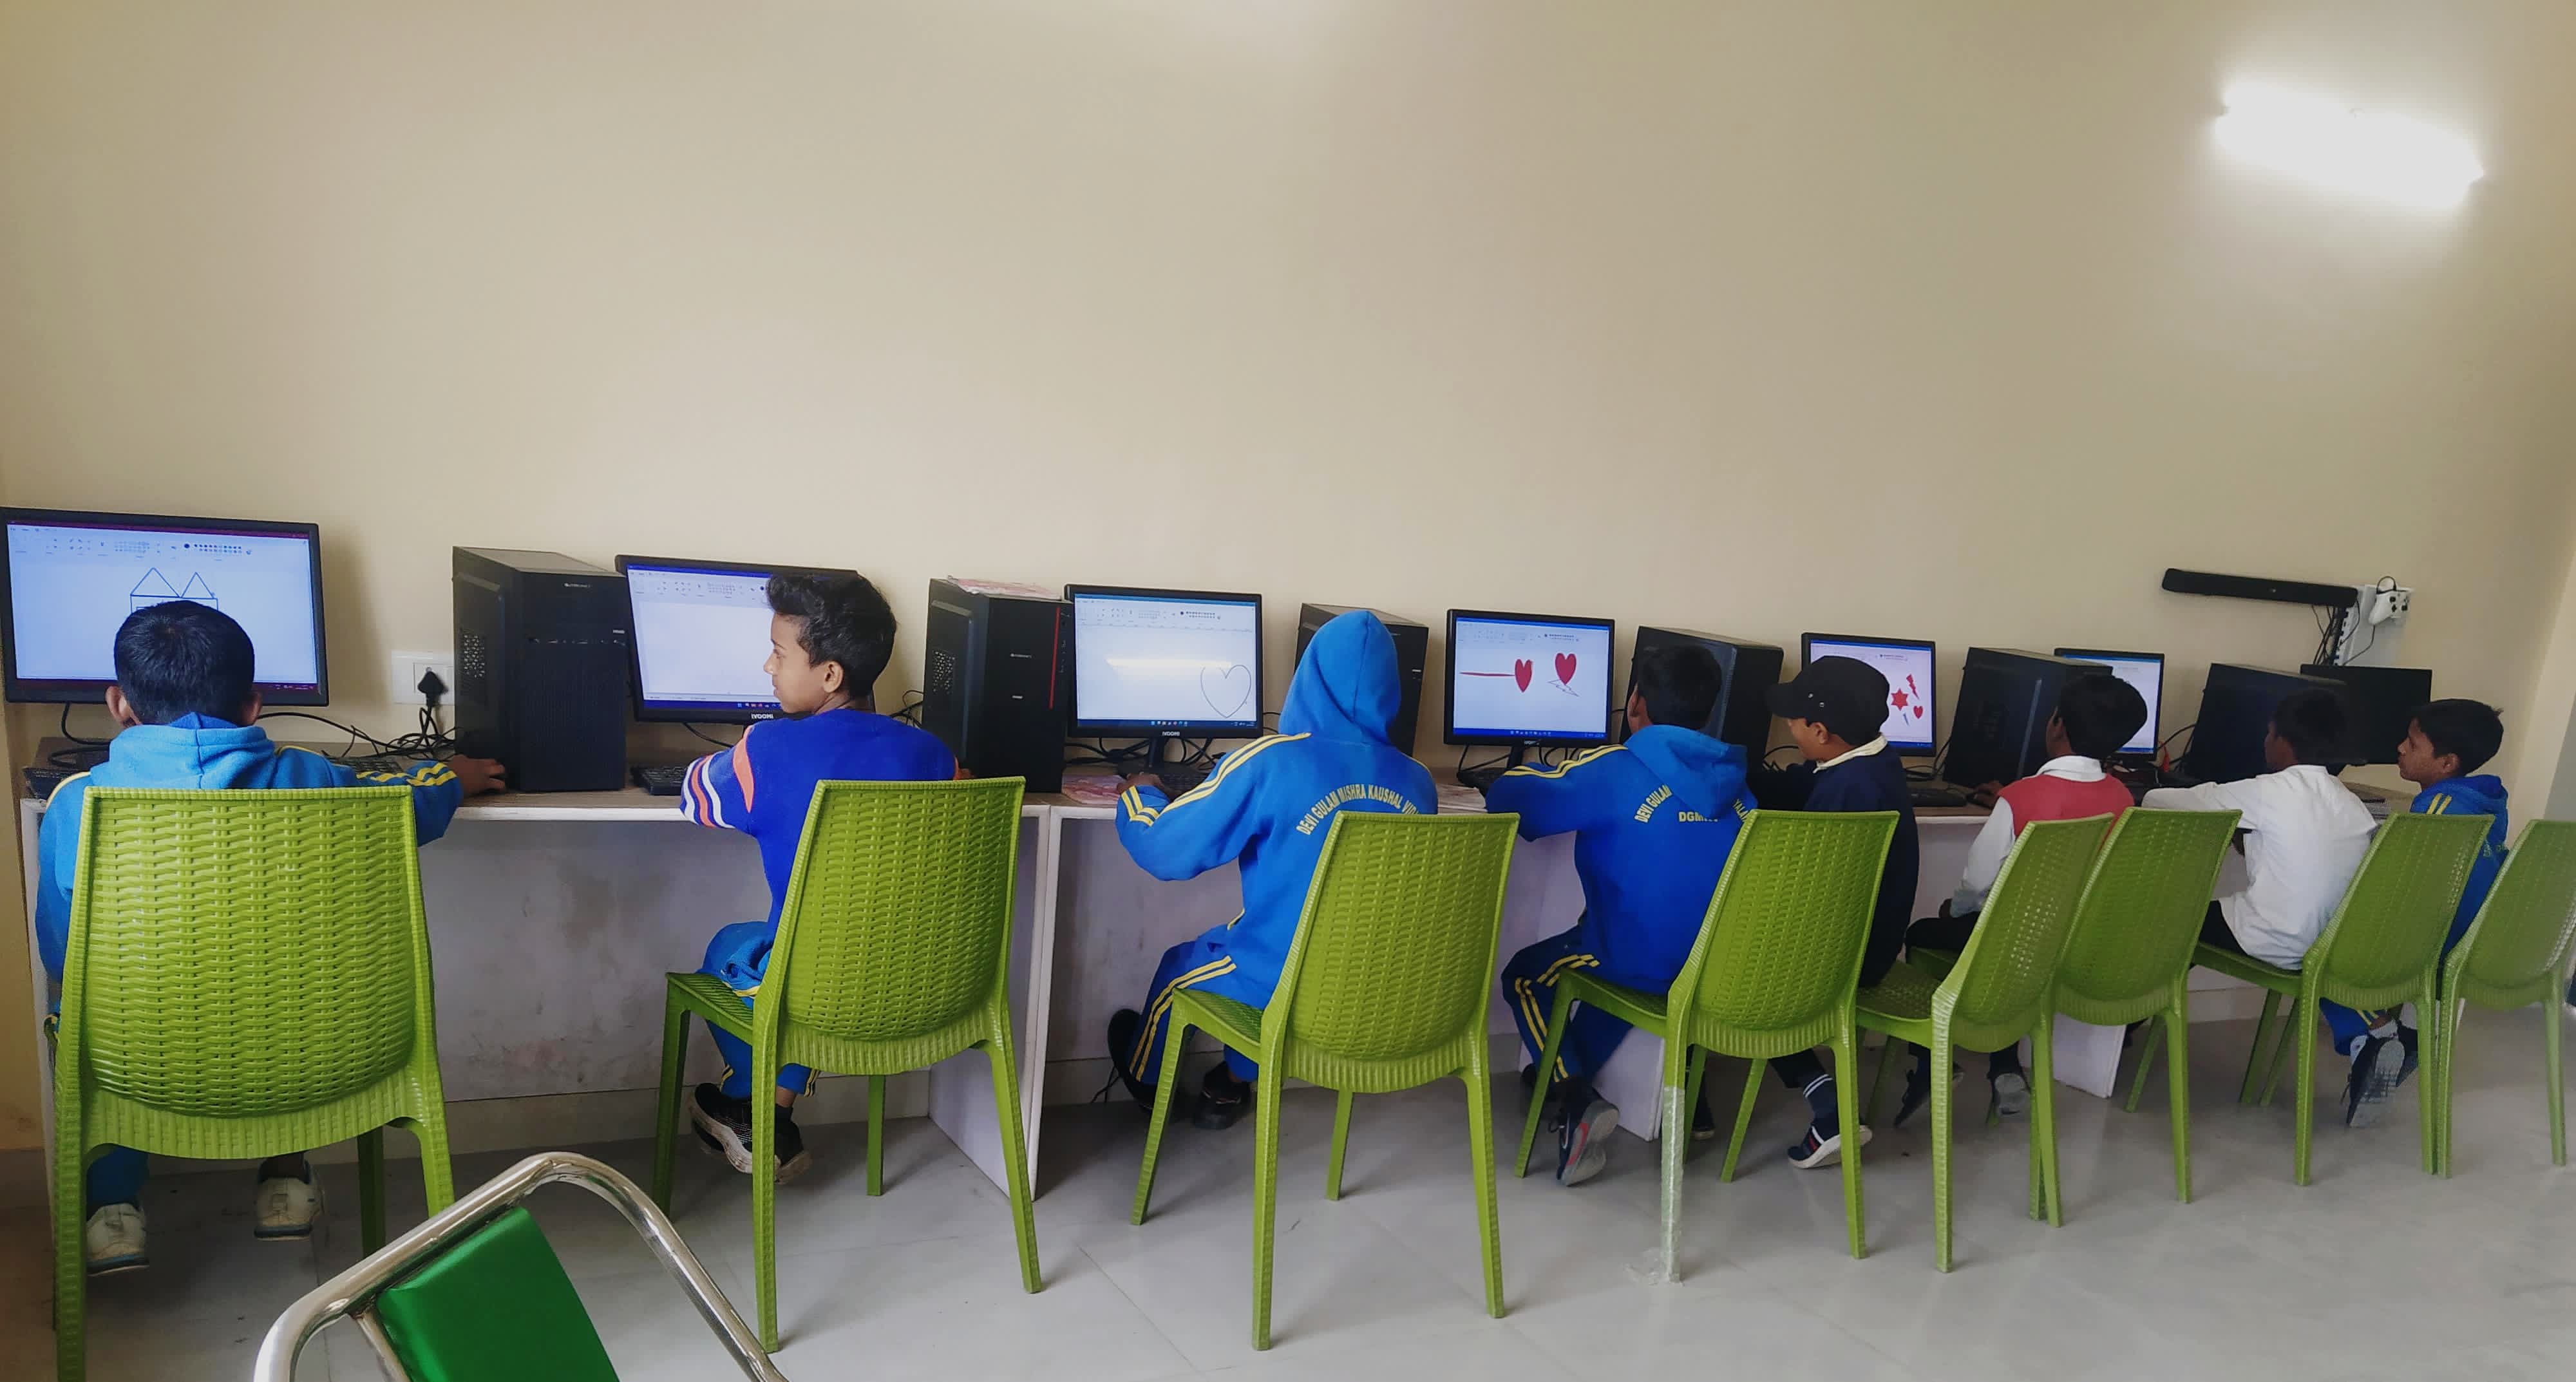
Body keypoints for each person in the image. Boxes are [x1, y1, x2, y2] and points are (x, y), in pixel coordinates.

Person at [34, 601, 505, 1274]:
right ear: (254, 706)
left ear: (118, 704)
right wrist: (453, 775)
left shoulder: (76, 803)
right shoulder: (320, 778)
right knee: (285, 990)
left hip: (143, 1065)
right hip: (325, 1057)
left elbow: (63, 955)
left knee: (99, 1013)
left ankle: (113, 1213)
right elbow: (409, 798)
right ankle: (284, 1183)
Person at [1103, 611, 1435, 1131]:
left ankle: (1148, 1084)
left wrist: (1139, 796)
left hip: (1284, 980)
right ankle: (1230, 1082)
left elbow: (1165, 851)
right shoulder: (1419, 781)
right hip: (1378, 990)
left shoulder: (1273, 761)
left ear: (1309, 676)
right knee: (1298, 951)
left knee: (1179, 967)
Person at [679, 573, 958, 1182]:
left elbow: (694, 796)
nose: (768, 667)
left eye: (779, 654)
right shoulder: (933, 754)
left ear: (829, 674)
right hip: (921, 986)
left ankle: (755, 1107)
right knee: (820, 954)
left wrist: (732, 755)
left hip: (813, 993)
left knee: (734, 947)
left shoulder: (766, 748)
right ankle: (767, 1116)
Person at [1486, 643, 1757, 1186]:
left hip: (1635, 959)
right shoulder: (1738, 783)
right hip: (1714, 968)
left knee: (1526, 976)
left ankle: (1574, 1100)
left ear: (1636, 704)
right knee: (1606, 981)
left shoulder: (1613, 768)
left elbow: (1515, 800)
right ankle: (1562, 1077)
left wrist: (1517, 775)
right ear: (1710, 709)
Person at [1891, 673, 2147, 1124]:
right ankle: (2005, 1067)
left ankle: (1932, 1061)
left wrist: (1957, 910)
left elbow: (1977, 883)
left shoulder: (2021, 797)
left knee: (1926, 932)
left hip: (2015, 946)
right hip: (2074, 944)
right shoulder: (2120, 795)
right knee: (2006, 942)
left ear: (2057, 725)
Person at [2143, 688, 2380, 1122]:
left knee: (2172, 916)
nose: (2265, 742)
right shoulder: (2351, 803)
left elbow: (2169, 801)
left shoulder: (2271, 790)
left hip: (2276, 941)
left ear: (2284, 741)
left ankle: (2128, 1020)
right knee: (2205, 914)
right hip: (2330, 948)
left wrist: (2147, 788)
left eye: (2269, 734)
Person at [1744, 656, 1918, 1168]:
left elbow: (1808, 900)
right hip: (1873, 945)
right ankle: (1826, 1099)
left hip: (1841, 960)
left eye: (1795, 723)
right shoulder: (1870, 766)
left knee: (1729, 970)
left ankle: (1827, 1107)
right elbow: (1801, 783)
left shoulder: (1844, 796)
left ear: (1820, 732)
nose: (1789, 729)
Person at [2363, 699, 2510, 1104]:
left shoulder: (2439, 807)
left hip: (2433, 944)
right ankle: (2408, 1041)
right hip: (2468, 944)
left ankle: (2376, 1035)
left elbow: (2399, 877)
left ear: (2447, 763)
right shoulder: (2485, 803)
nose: (2400, 748)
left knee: (2321, 940)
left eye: (2412, 744)